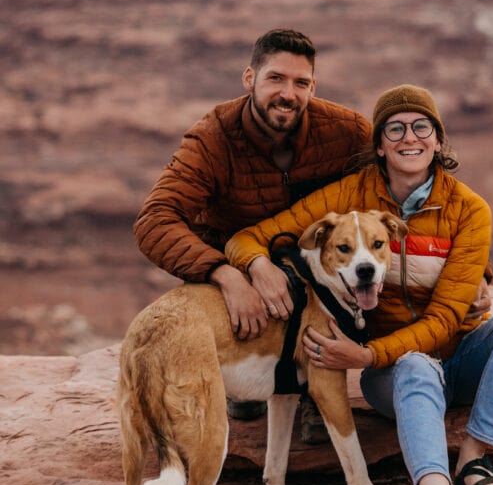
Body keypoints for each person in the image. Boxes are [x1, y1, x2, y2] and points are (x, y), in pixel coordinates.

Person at [225, 84, 493, 485]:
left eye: (422, 127)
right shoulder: (349, 196)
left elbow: (447, 317)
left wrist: (366, 355)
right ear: (379, 142)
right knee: (414, 365)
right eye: (396, 128)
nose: (410, 138)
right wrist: (255, 268)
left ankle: (474, 458)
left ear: (439, 140)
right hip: (396, 376)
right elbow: (247, 239)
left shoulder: (469, 209)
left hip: (456, 358)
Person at [133, 28, 372, 441]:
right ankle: (242, 374)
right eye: (275, 79)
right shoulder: (213, 137)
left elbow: (411, 182)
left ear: (313, 86)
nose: (288, 93)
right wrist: (226, 274)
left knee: (348, 272)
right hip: (233, 266)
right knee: (242, 403)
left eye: (300, 83)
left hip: (308, 269)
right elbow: (156, 219)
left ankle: (316, 389)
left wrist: (477, 268)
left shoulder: (345, 130)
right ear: (250, 79)